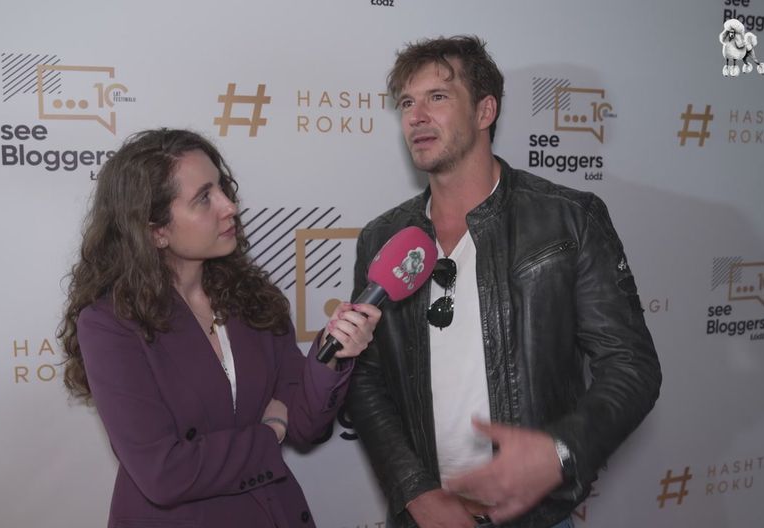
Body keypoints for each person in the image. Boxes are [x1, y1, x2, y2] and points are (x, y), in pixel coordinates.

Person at [347, 36, 662, 528]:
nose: (416, 117)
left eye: (437, 97)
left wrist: (559, 451)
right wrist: (416, 493)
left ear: (485, 110)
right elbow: (365, 378)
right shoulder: (382, 238)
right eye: (407, 103)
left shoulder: (568, 220)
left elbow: (632, 366)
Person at [58, 128, 380, 528]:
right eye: (203, 198)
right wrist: (269, 432)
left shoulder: (252, 297)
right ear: (156, 230)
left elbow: (305, 425)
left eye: (223, 188)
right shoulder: (110, 324)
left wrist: (331, 355)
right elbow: (165, 473)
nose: (230, 206)